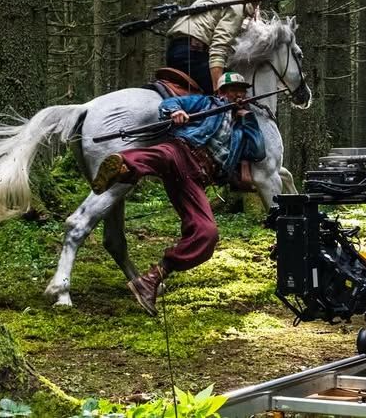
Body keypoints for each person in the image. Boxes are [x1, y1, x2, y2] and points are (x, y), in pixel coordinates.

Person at [91, 72, 266, 315]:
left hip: (195, 178)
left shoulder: (242, 127)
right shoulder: (206, 103)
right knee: (164, 154)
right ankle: (120, 167)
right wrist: (175, 113)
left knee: (207, 234)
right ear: (221, 93)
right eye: (233, 90)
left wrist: (249, 120)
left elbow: (257, 152)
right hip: (182, 151)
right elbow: (169, 103)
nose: (239, 95)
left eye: (242, 91)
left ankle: (151, 279)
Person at [165, 0, 268, 94]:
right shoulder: (237, 7)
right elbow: (219, 47)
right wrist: (219, 88)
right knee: (234, 94)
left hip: (175, 50)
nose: (260, 1)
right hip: (193, 55)